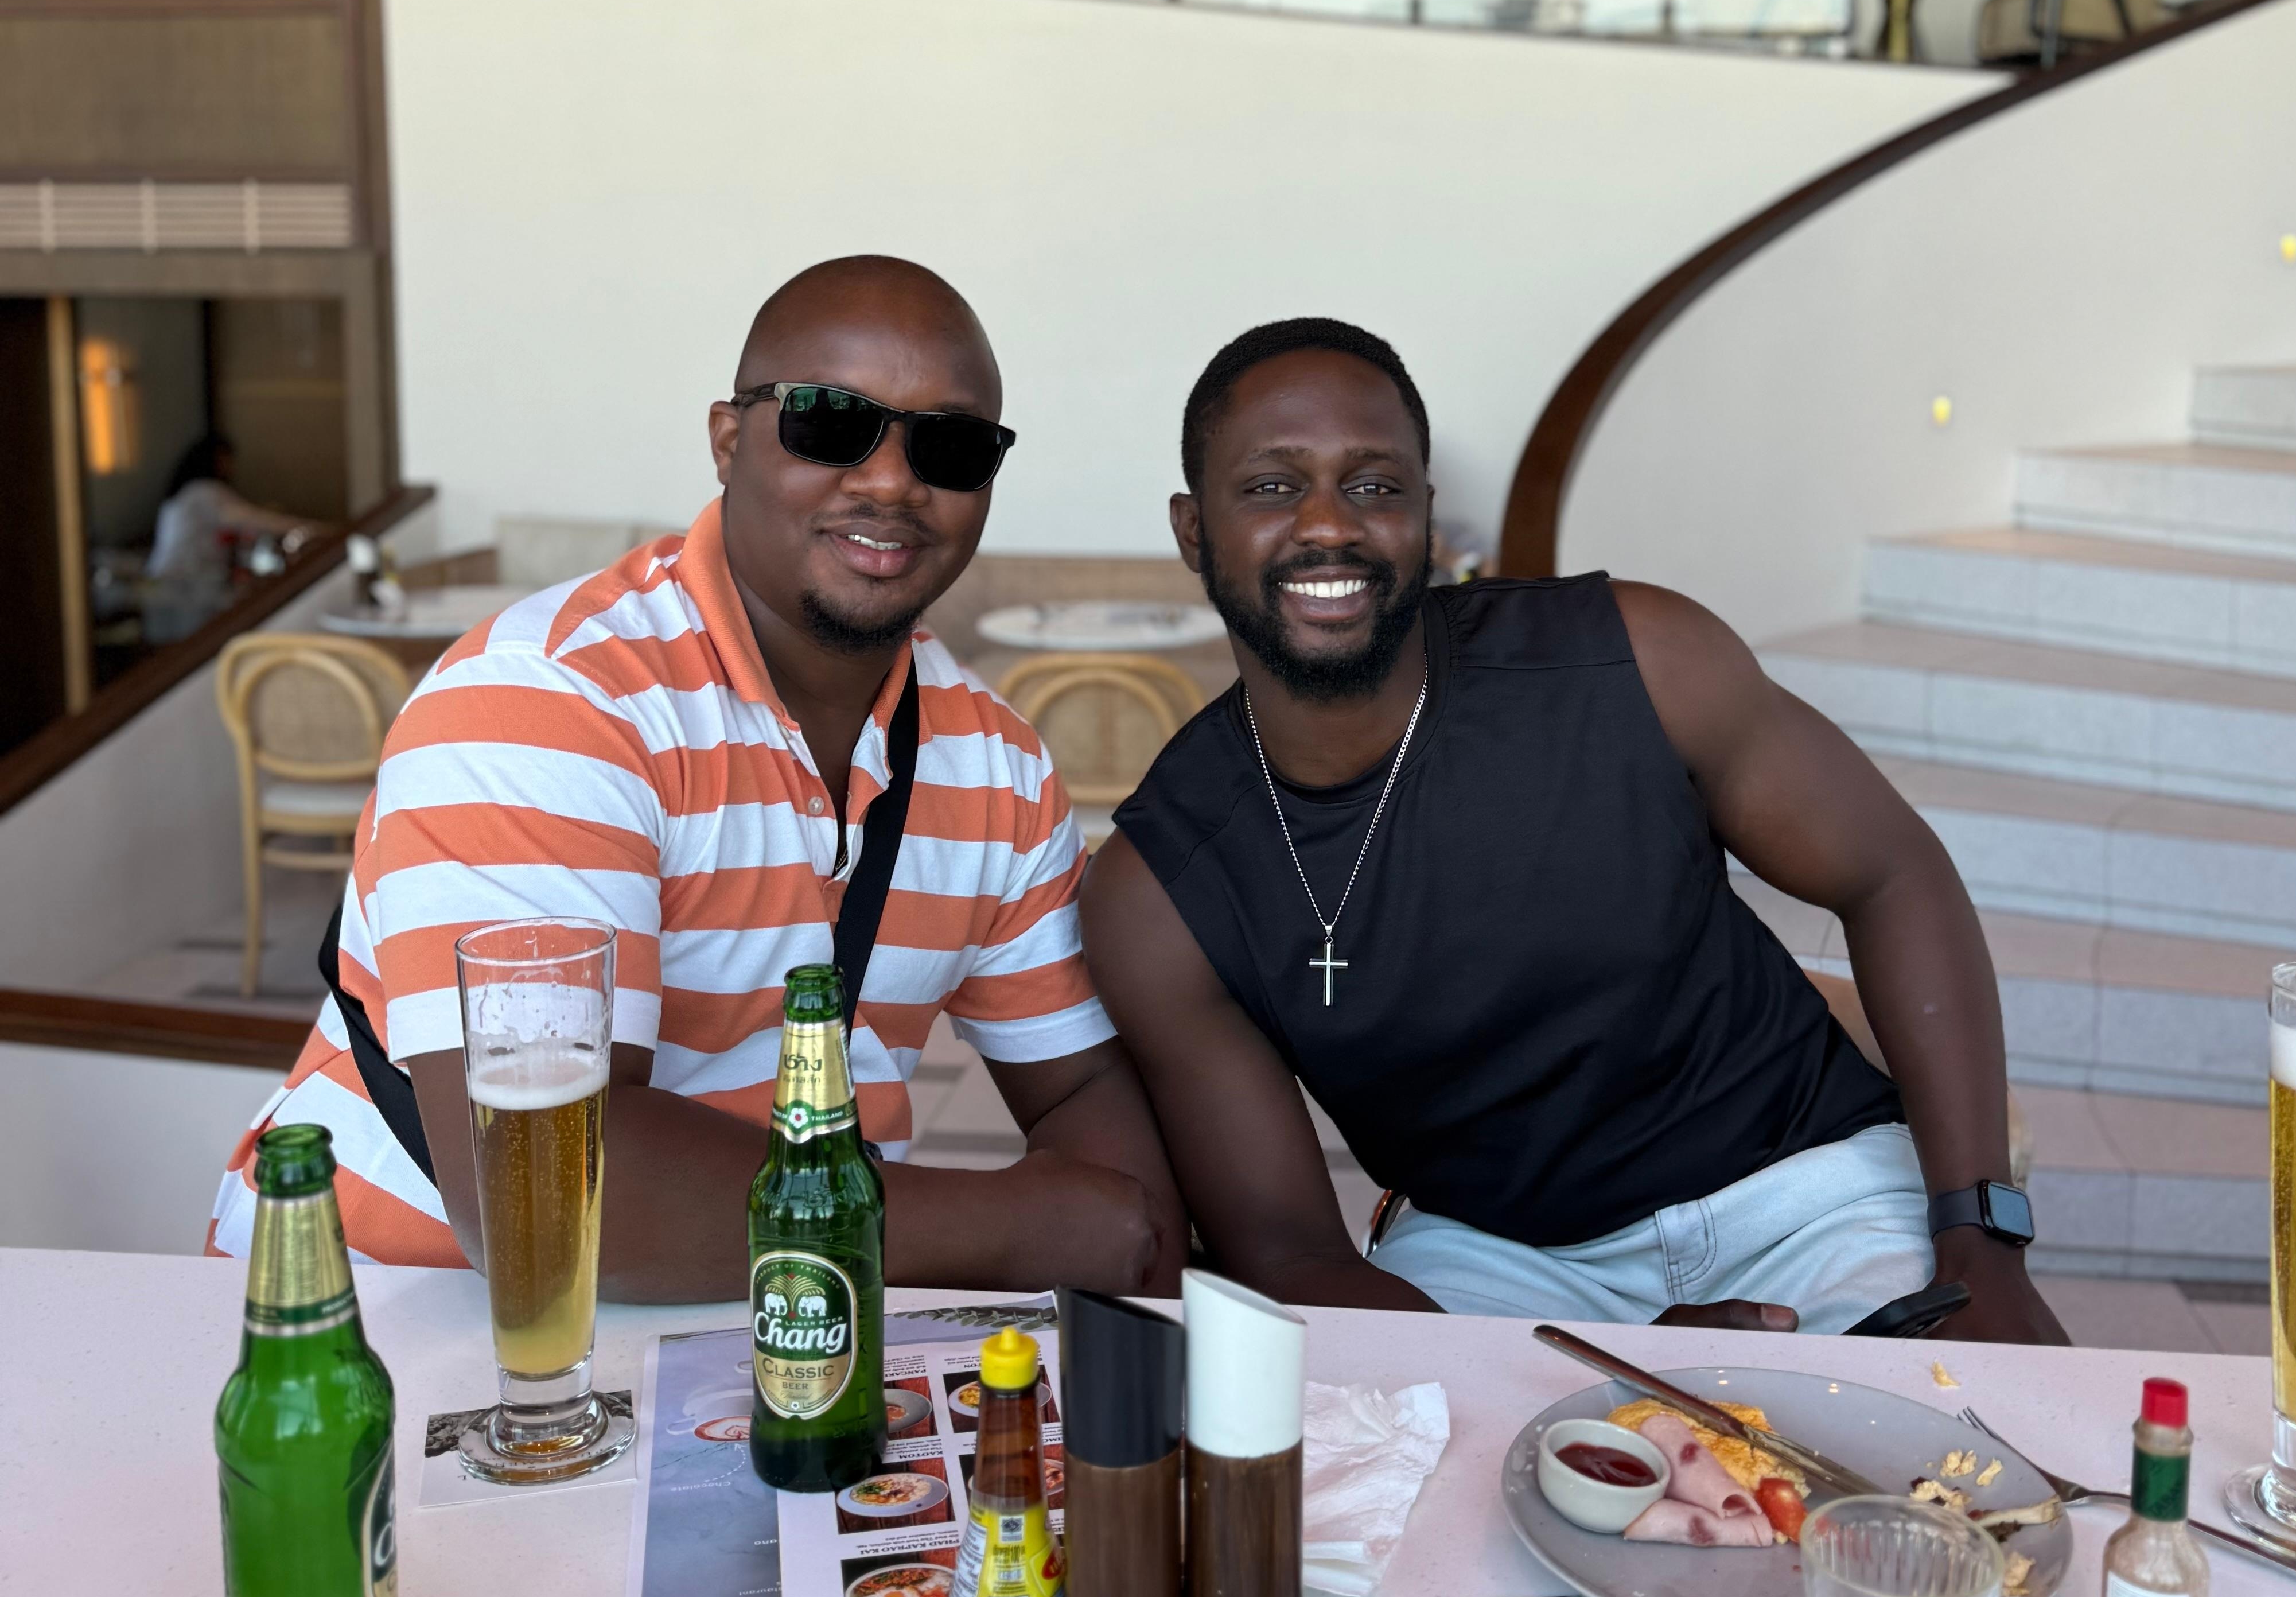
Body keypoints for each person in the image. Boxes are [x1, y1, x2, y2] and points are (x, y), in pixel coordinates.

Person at [211, 257, 1186, 1300]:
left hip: (787, 1328)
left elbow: (1081, 1092)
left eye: (948, 447)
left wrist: (1126, 1244)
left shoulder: (994, 767)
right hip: (389, 1316)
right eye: (830, 423)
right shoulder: (550, 701)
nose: (891, 482)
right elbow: (541, 1190)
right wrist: (1018, 1224)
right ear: (728, 440)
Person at [1082, 317, 2065, 1344]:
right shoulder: (1159, 891)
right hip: (1493, 1256)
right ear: (1193, 530)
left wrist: (1978, 1235)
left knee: (1962, 1437)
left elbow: (1893, 873)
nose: (1329, 524)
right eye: (1272, 487)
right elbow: (1292, 1256)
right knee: (1393, 1441)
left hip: (1807, 1193)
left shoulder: (1637, 659)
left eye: (1374, 484)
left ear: (1425, 514)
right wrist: (1606, 1364)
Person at [145, 433, 305, 639]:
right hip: (185, 586)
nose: (230, 467)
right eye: (226, 460)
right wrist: (313, 529)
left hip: (169, 585)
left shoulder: (184, 494)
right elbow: (255, 520)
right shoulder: (204, 493)